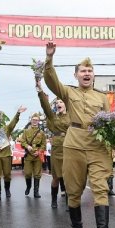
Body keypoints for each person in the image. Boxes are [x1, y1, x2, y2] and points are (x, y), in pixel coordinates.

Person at [44, 41, 115, 228]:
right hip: (74, 143)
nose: (87, 73)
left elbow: (109, 121)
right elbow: (51, 81)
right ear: (76, 75)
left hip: (97, 145)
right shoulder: (68, 92)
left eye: (90, 71)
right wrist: (49, 58)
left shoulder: (102, 98)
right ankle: (77, 227)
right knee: (74, 189)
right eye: (83, 71)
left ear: (93, 75)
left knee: (100, 187)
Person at [36, 80, 70, 208]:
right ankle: (54, 200)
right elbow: (45, 106)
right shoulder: (53, 117)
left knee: (67, 177)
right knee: (56, 177)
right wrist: (40, 90)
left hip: (68, 147)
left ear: (65, 104)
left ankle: (68, 202)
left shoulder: (71, 116)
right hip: (56, 149)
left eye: (60, 102)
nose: (58, 104)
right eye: (56, 103)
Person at [0, 106, 27, 200]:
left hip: (6, 154)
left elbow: (14, 122)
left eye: (1, 116)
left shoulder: (6, 128)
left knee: (7, 174)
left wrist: (18, 113)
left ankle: (7, 190)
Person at [20, 113, 46, 198]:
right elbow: (22, 141)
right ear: (31, 120)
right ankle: (28, 186)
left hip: (37, 155)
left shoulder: (42, 133)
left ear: (38, 121)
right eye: (33, 120)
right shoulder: (26, 131)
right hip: (29, 155)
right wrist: (27, 146)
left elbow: (43, 145)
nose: (35, 121)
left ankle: (36, 192)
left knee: (37, 174)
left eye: (36, 120)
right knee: (27, 173)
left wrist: (39, 151)